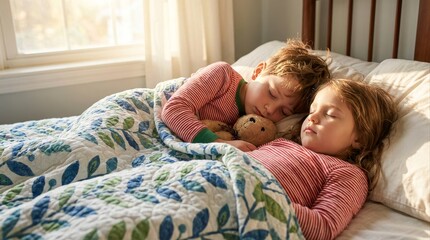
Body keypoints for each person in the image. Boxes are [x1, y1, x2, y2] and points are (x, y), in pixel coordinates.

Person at [247, 78, 398, 240]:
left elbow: (323, 227)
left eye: (330, 114)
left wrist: (261, 198)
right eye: (312, 111)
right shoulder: (280, 143)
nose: (312, 117)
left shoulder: (348, 173)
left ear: (360, 139)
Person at [161, 39, 330, 152]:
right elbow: (174, 109)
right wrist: (219, 144)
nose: (270, 109)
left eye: (284, 112)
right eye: (271, 93)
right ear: (258, 72)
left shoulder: (253, 126)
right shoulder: (222, 75)